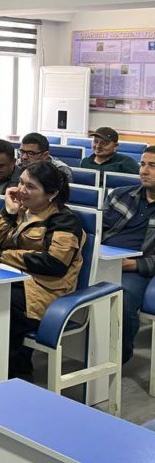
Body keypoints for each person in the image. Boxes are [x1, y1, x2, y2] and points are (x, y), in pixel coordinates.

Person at [0, 161, 84, 377]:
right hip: (12, 278)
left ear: (52, 194)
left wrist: (3, 256)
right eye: (20, 182)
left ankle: (11, 373)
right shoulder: (19, 210)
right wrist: (8, 213)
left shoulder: (64, 220)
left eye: (30, 186)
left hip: (45, 290)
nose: (21, 190)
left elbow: (54, 263)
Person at [99, 145, 155, 363]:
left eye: (152, 166)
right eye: (142, 164)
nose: (144, 171)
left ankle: (117, 356)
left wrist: (133, 264)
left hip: (137, 268)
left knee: (124, 296)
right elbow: (98, 230)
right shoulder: (120, 195)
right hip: (103, 260)